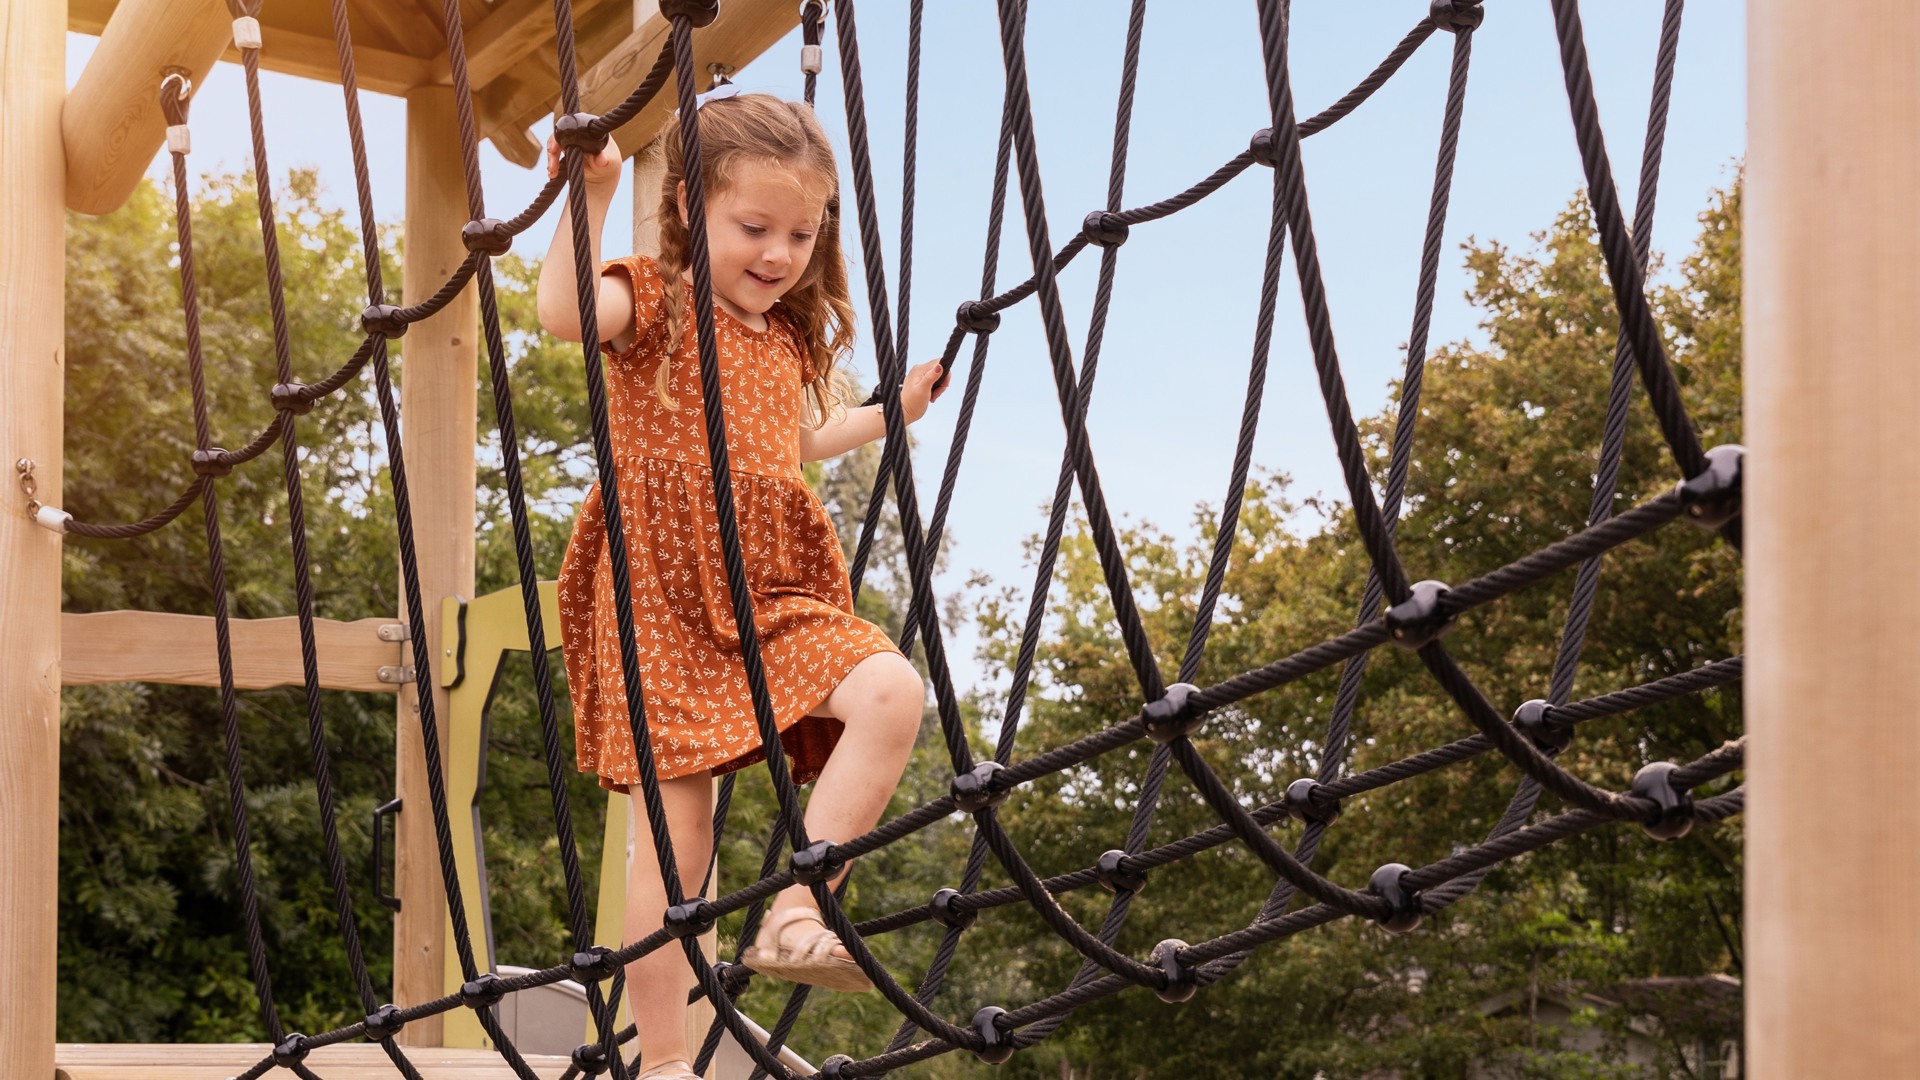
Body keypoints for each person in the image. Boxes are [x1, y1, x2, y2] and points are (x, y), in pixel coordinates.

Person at [535, 92, 946, 1080]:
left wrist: (890, 412)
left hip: (769, 585)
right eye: (753, 227)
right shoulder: (656, 299)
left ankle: (801, 907)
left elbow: (800, 438)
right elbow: (561, 314)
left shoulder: (784, 340)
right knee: (678, 844)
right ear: (688, 210)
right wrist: (587, 194)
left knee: (893, 690)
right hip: (664, 602)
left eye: (801, 233)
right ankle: (668, 1063)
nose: (779, 253)